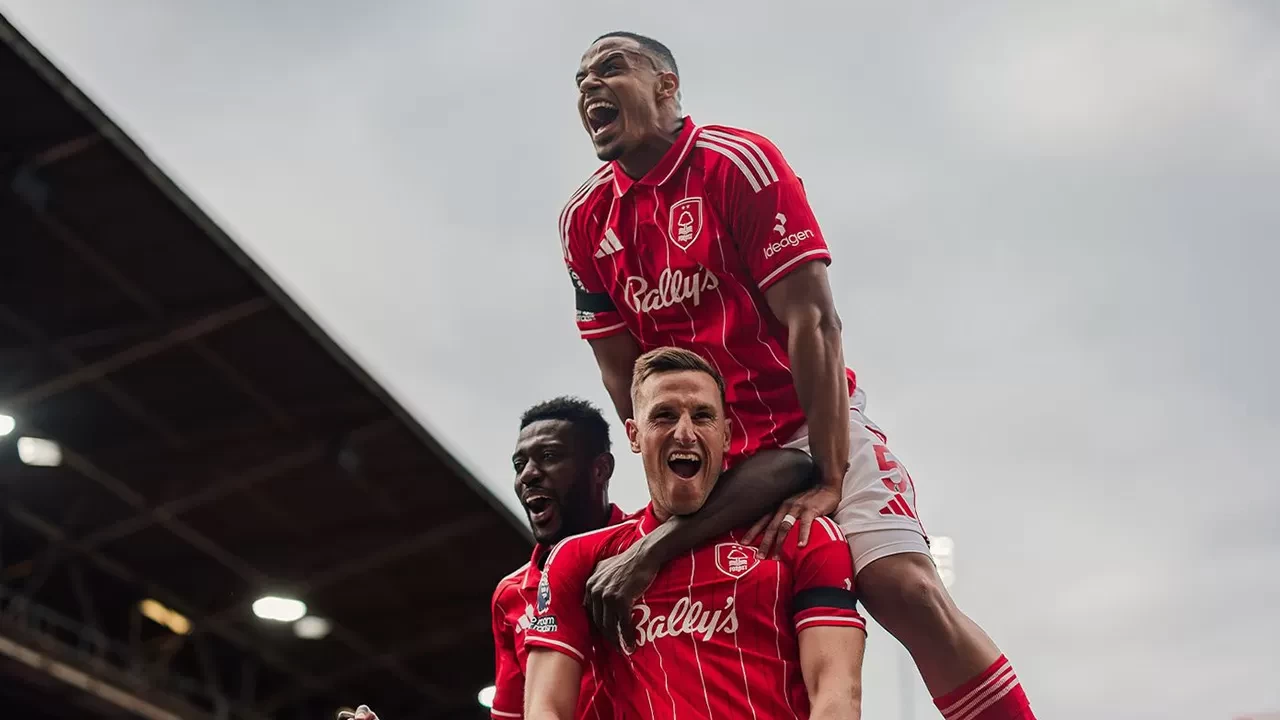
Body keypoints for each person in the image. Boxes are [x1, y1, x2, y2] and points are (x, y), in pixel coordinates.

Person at [558, 31, 1037, 720]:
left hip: (808, 426)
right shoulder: (583, 222)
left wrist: (831, 476)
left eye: (611, 68)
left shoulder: (738, 164)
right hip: (712, 450)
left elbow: (815, 323)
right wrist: (666, 470)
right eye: (580, 80)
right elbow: (623, 374)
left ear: (667, 85)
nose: (589, 87)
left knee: (905, 589)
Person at [524, 347, 866, 720]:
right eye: (664, 416)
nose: (685, 433)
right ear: (634, 436)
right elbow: (545, 708)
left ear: (726, 435)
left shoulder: (803, 535)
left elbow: (836, 694)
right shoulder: (579, 558)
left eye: (702, 416)